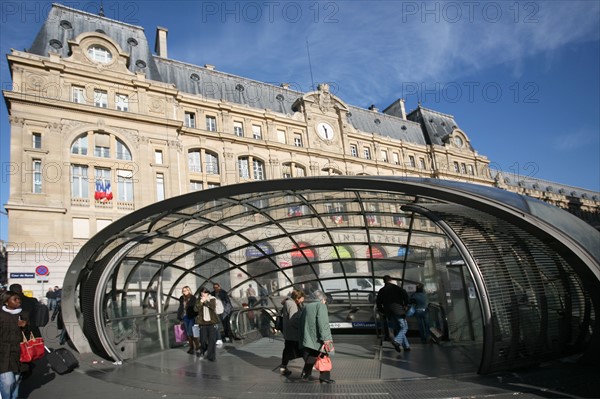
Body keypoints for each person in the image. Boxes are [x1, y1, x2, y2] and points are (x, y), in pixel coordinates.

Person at [298, 290, 335, 384]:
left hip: (309, 337)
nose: (325, 302)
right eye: (325, 300)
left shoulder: (307, 306)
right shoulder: (321, 306)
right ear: (322, 299)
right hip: (318, 337)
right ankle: (324, 377)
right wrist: (326, 338)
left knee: (313, 355)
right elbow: (323, 323)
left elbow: (301, 321)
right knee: (324, 355)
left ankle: (305, 375)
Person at [0, 290, 29, 399]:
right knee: (8, 382)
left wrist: (25, 326)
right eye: (15, 299)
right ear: (6, 302)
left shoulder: (24, 314)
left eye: (19, 299)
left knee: (16, 382)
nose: (18, 301)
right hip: (3, 353)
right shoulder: (1, 315)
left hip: (20, 352)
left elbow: (29, 334)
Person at [376, 275, 410, 352]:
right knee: (404, 327)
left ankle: (406, 346)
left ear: (383, 281)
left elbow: (378, 303)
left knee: (398, 329)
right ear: (390, 280)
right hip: (398, 310)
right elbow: (405, 294)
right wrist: (406, 304)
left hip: (389, 312)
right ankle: (397, 341)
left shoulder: (381, 290)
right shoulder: (396, 288)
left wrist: (383, 311)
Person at [279, 289, 305, 377]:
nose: (303, 299)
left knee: (288, 349)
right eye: (302, 297)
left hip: (288, 332)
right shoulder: (292, 305)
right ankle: (308, 369)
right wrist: (302, 328)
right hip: (294, 333)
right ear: (298, 298)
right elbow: (294, 319)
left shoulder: (288, 303)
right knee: (303, 349)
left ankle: (283, 367)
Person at [194, 287, 219, 361]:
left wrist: (206, 302)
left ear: (208, 293)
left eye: (204, 292)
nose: (203, 294)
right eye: (201, 293)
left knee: (212, 340)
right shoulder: (199, 300)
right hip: (202, 323)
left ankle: (211, 356)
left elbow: (212, 307)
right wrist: (201, 302)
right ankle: (203, 349)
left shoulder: (212, 299)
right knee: (203, 340)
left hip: (211, 322)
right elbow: (195, 309)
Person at [177, 286, 199, 354]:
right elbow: (181, 307)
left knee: (191, 332)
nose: (184, 292)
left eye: (185, 290)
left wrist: (187, 302)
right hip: (185, 317)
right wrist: (179, 316)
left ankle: (197, 347)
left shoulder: (193, 297)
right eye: (183, 291)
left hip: (191, 317)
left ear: (189, 290)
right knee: (188, 333)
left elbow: (193, 307)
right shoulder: (182, 298)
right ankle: (191, 347)